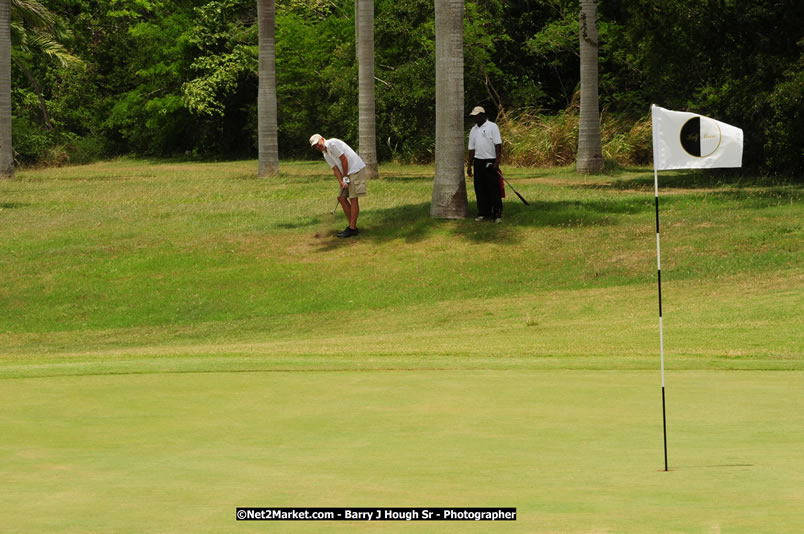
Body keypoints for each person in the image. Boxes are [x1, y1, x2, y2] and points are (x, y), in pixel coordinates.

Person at [309, 134, 367, 238]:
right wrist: (341, 182)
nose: (317, 146)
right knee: (341, 198)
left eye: (317, 144)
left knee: (353, 198)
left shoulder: (332, 143)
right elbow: (335, 169)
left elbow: (344, 159)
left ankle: (352, 228)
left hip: (355, 169)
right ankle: (352, 226)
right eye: (314, 146)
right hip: (346, 173)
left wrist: (345, 177)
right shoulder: (325, 154)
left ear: (322, 139)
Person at [466, 106, 503, 223]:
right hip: (478, 162)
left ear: (483, 115)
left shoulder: (492, 126)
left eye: (476, 116)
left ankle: (497, 213)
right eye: (473, 116)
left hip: (490, 161)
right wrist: (469, 165)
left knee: (493, 188)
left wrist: (497, 162)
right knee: (480, 189)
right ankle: (483, 212)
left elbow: (498, 145)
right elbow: (471, 149)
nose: (474, 118)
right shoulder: (473, 130)